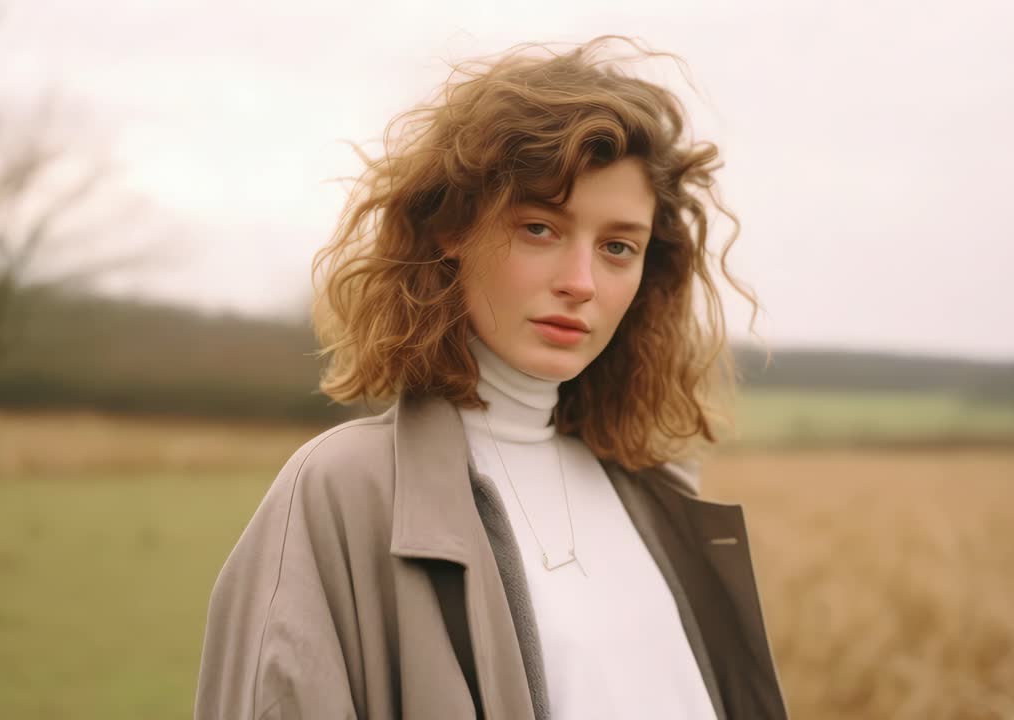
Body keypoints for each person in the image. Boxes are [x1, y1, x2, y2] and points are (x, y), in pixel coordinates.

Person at [194, 36, 787, 720]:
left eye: (618, 247)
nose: (581, 282)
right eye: (539, 228)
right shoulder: (342, 490)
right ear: (452, 227)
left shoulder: (653, 490)